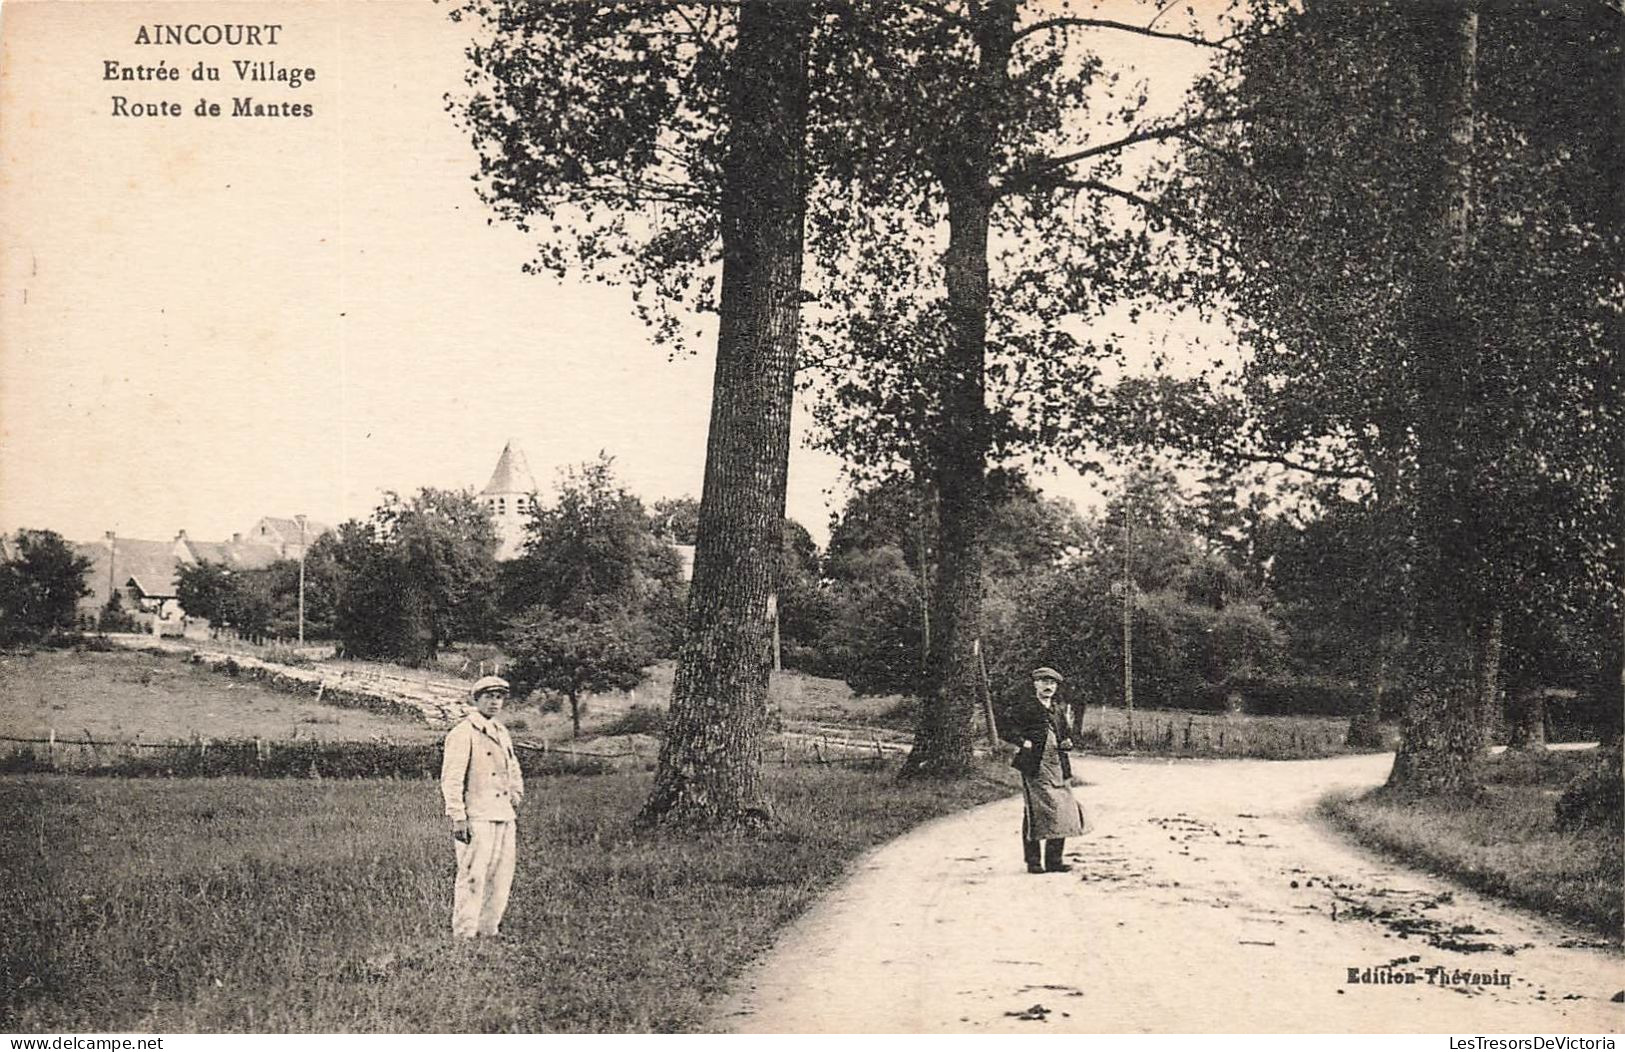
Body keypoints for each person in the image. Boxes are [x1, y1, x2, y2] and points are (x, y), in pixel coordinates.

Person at [440, 674, 525, 938]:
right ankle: (465, 932)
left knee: (501, 875)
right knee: (473, 875)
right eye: (489, 697)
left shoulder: (501, 731)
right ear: (476, 699)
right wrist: (458, 816)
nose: (494, 703)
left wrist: (515, 794)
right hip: (477, 814)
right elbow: (451, 778)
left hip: (503, 814)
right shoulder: (463, 732)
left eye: (499, 697)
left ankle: (489, 929)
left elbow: (513, 768)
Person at [1005, 666, 1089, 874]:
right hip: (1035, 766)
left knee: (1061, 810)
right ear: (1035, 684)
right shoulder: (1025, 707)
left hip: (1058, 767)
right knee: (1036, 811)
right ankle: (1033, 861)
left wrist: (1067, 742)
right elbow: (1006, 728)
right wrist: (1022, 741)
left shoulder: (1057, 709)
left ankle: (1054, 860)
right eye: (1044, 682)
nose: (1048, 686)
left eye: (1052, 683)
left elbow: (1066, 735)